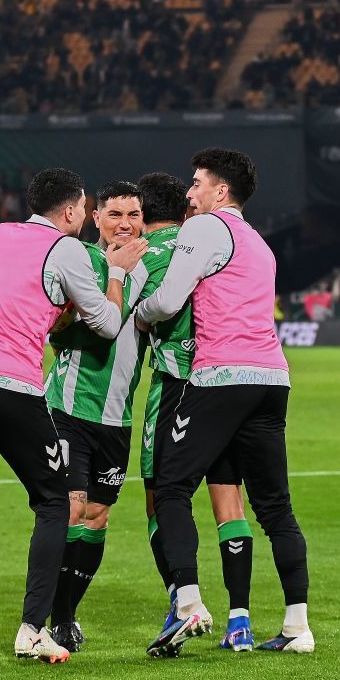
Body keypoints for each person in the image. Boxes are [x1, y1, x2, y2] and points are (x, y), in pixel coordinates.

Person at [0, 168, 147, 666]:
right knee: (54, 502)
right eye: (86, 207)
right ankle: (32, 631)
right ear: (71, 210)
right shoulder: (67, 249)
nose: (86, 214)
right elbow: (107, 325)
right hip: (12, 388)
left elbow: (18, 296)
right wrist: (117, 272)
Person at [134, 148, 313, 656]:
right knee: (275, 507)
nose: (189, 193)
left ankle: (188, 601)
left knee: (170, 486)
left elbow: (168, 299)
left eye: (197, 183)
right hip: (272, 377)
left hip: (221, 376)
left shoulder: (206, 228)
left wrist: (140, 316)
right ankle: (297, 626)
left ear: (221, 190)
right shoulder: (259, 243)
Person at [135, 171, 256, 654]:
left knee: (161, 495)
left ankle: (184, 600)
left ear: (142, 214)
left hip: (174, 386)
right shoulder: (209, 245)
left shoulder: (145, 254)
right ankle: (240, 621)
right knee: (229, 499)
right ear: (183, 210)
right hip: (221, 384)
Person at [44, 181, 149, 652]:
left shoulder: (157, 267)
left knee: (98, 516)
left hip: (117, 415)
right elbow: (55, 325)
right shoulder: (81, 259)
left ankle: (67, 611)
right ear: (96, 218)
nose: (124, 224)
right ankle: (55, 617)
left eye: (133, 214)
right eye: (114, 214)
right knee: (71, 507)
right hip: (69, 406)